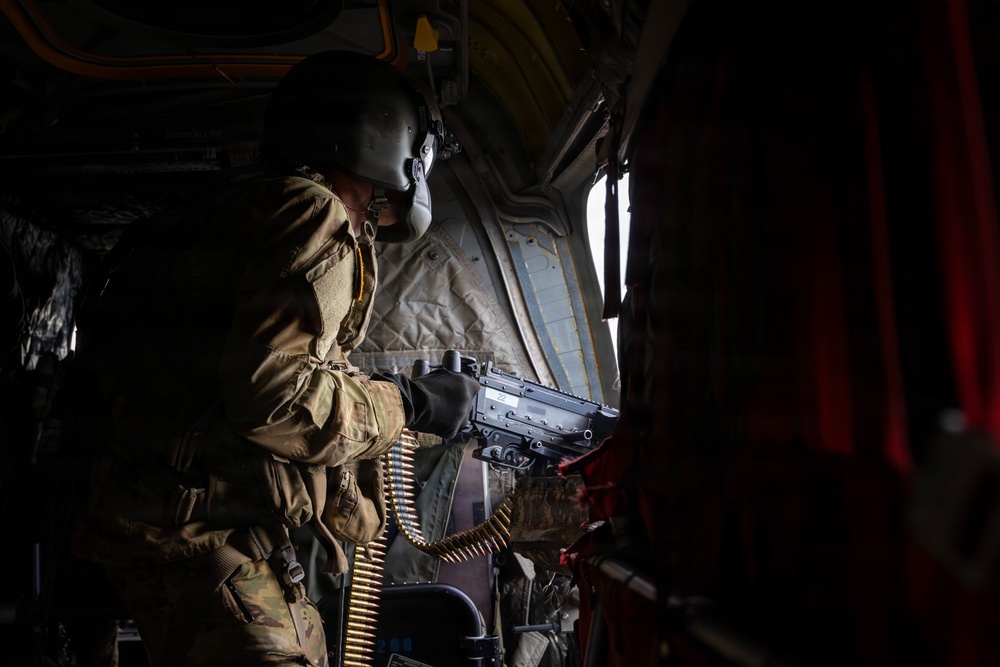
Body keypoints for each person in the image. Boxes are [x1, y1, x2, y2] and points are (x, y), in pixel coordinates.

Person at [71, 50, 479, 667]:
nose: (371, 224)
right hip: (197, 540)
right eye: (376, 208)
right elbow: (276, 394)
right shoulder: (312, 210)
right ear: (389, 156)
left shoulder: (218, 209)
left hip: (128, 518)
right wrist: (407, 404)